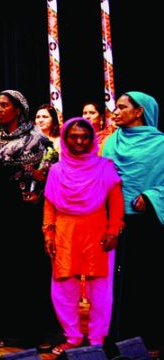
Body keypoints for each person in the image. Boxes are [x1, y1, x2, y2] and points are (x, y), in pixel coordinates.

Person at [0, 90, 57, 348]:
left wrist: (33, 183)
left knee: (31, 269)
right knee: (5, 267)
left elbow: (47, 171)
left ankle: (37, 331)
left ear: (19, 109)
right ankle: (6, 328)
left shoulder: (36, 138)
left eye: (5, 105)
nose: (0, 109)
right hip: (1, 211)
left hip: (28, 211)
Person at [43, 117, 122, 354]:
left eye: (85, 137)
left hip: (97, 230)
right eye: (74, 136)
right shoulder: (57, 169)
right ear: (65, 139)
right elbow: (49, 205)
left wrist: (113, 230)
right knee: (63, 287)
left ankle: (97, 338)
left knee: (100, 289)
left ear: (91, 140)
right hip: (65, 231)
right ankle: (73, 336)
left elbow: (116, 202)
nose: (79, 141)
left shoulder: (104, 166)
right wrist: (48, 233)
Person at [102, 92, 164, 353]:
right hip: (115, 223)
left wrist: (151, 196)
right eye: (115, 107)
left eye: (121, 107)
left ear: (139, 111)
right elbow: (99, 178)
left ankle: (150, 340)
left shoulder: (160, 145)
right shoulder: (109, 143)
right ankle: (118, 340)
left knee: (147, 282)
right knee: (114, 285)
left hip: (148, 224)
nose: (115, 112)